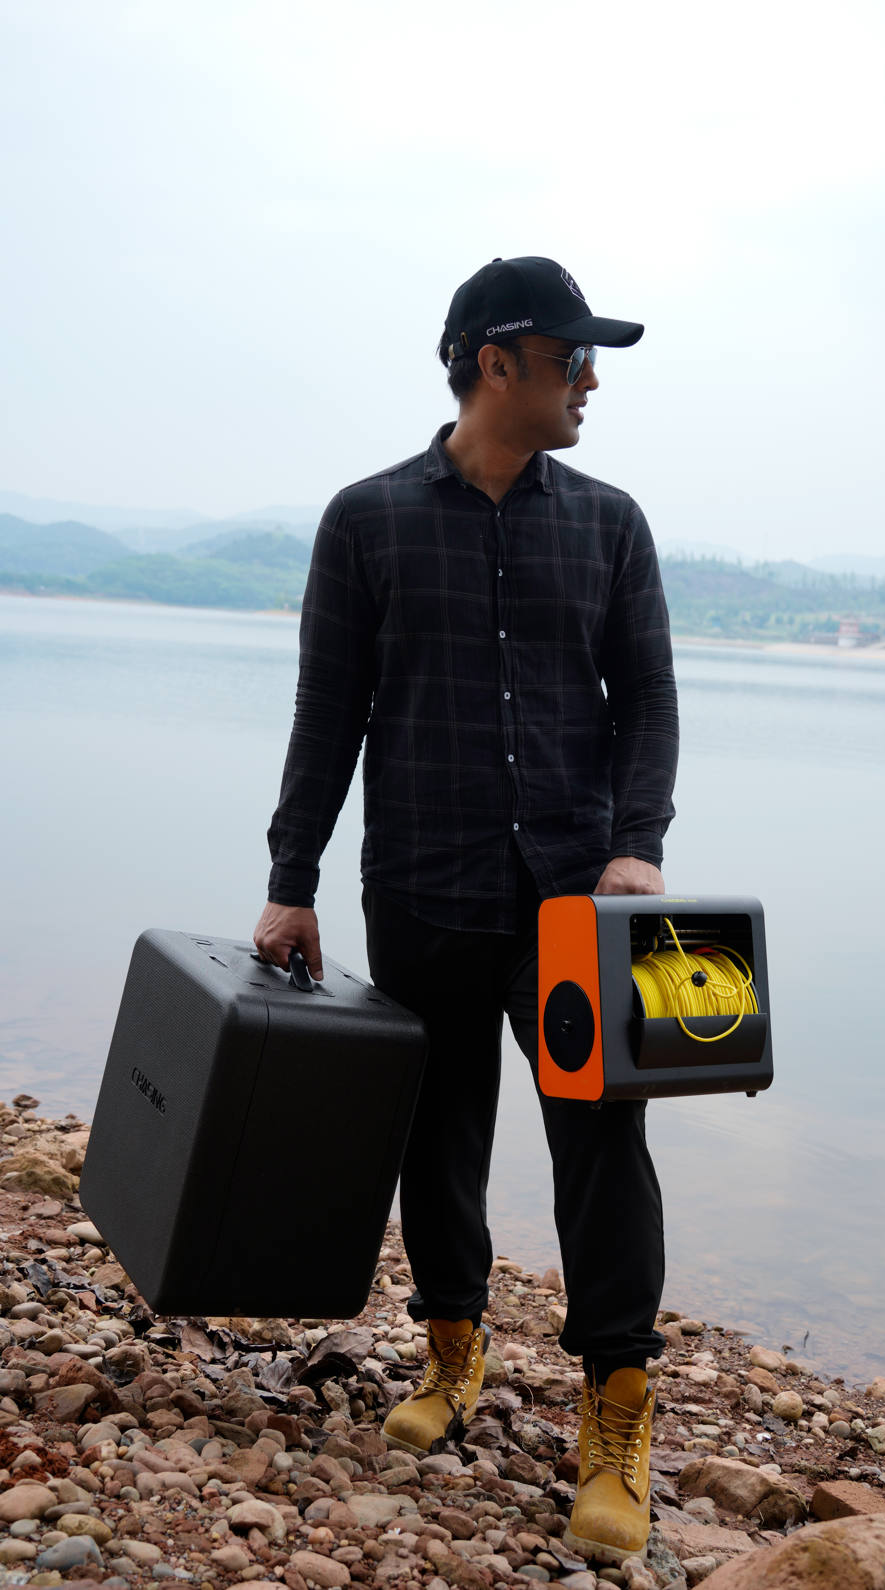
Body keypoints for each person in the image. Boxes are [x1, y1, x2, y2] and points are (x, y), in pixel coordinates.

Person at [254, 255, 679, 1563]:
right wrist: (290, 881)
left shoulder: (610, 524)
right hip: (422, 882)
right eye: (573, 358)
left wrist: (637, 846)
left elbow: (647, 699)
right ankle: (452, 1349)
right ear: (500, 363)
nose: (591, 381)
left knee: (603, 1142)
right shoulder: (367, 520)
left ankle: (617, 1412)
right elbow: (329, 712)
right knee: (437, 1133)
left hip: (575, 901)